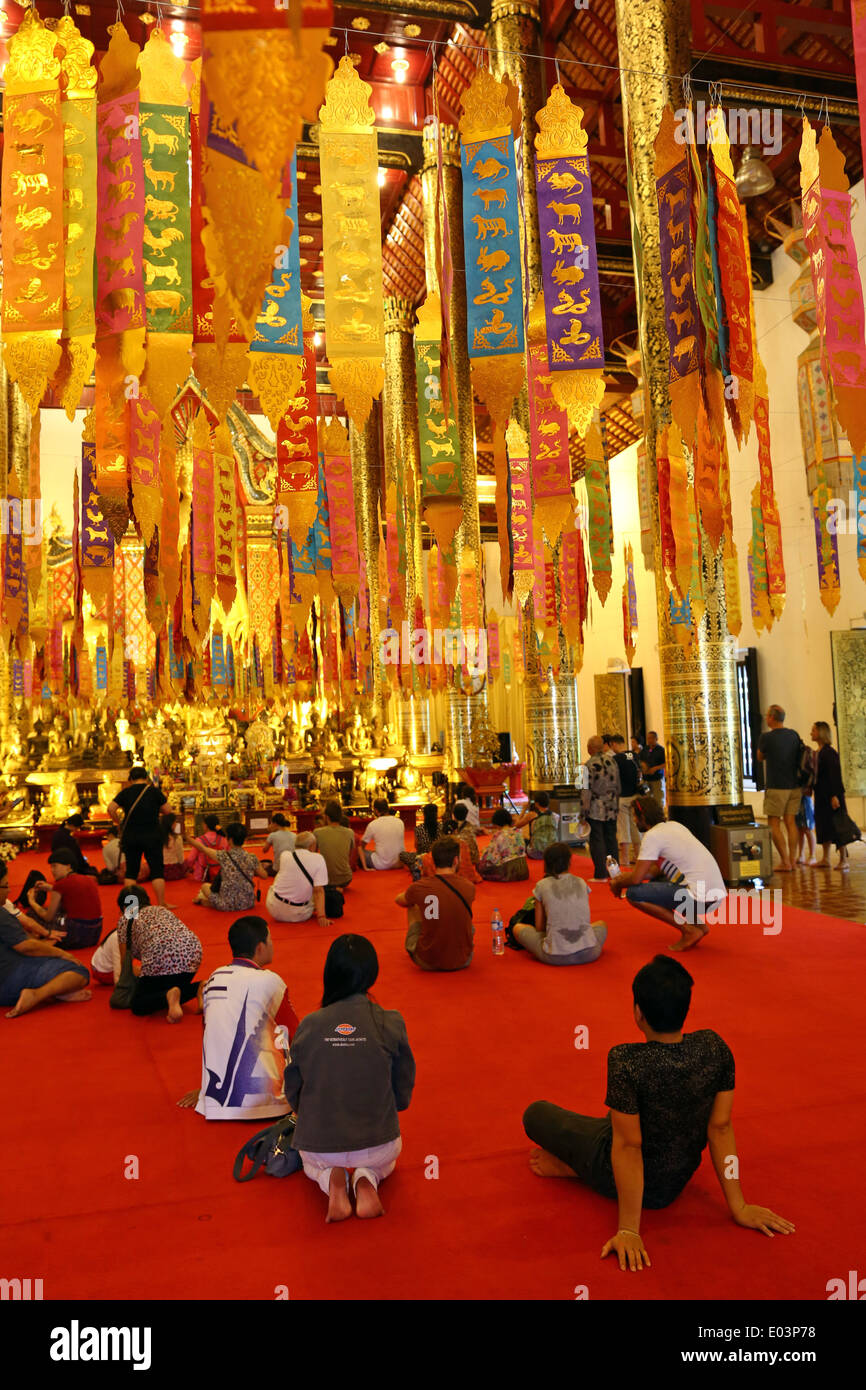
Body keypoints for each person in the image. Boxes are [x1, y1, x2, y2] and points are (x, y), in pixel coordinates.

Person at [523, 956, 794, 1272]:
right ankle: (582, 1161)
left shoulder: (626, 1060)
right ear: (685, 1009)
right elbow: (720, 1129)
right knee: (619, 1121)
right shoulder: (714, 1047)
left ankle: (577, 1169)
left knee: (536, 1114)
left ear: (638, 1013)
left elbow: (627, 1147)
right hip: (674, 1182)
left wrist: (629, 1230)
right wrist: (739, 1206)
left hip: (623, 1173)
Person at [284, 934, 416, 1221]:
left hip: (321, 1146)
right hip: (377, 1143)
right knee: (387, 1160)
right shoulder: (390, 1021)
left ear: (330, 972)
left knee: (310, 1166)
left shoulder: (310, 1024)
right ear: (372, 974)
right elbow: (403, 1087)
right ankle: (369, 1176)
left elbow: (293, 1086)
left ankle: (329, 1177)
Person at [177, 916, 299, 1120]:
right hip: (272, 1104)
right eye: (270, 940)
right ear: (260, 947)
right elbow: (296, 1035)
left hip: (215, 1100)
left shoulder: (212, 979)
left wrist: (206, 1088)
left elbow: (212, 1036)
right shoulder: (271, 981)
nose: (273, 944)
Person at [610, 796, 726, 952]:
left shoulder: (652, 836)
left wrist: (618, 883)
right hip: (716, 896)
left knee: (634, 893)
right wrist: (625, 878)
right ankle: (699, 926)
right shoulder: (674, 826)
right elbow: (653, 872)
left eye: (635, 816)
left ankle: (688, 930)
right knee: (657, 883)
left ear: (643, 817)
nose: (634, 821)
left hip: (699, 897)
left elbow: (637, 878)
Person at [509, 842, 607, 966]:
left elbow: (539, 927)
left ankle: (555, 940)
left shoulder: (542, 885)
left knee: (518, 928)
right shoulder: (581, 882)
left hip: (555, 956)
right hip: (590, 953)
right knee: (601, 924)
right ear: (569, 862)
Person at [118, 885, 202, 1023]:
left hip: (160, 960)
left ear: (123, 907)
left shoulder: (125, 920)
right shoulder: (162, 909)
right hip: (193, 954)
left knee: (138, 1004)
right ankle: (198, 988)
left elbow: (124, 963)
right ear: (147, 899)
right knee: (168, 984)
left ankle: (168, 996)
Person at [395, 836, 476, 972]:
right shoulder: (469, 887)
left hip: (427, 961)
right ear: (456, 860)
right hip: (463, 960)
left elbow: (399, 900)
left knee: (413, 905)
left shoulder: (420, 887)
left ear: (433, 860)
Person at [0, 904, 91, 1018]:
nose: (8, 891)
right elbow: (26, 947)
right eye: (4, 886)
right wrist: (61, 953)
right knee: (79, 971)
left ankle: (58, 994)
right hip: (8, 980)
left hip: (9, 979)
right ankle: (38, 994)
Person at [108, 766, 169, 907]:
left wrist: (118, 821)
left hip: (131, 835)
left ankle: (130, 906)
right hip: (152, 834)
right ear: (146, 777)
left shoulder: (125, 792)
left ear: (130, 779)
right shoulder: (154, 792)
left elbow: (111, 808)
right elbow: (168, 810)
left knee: (131, 871)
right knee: (156, 870)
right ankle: (161, 903)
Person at [756, 705, 802, 873]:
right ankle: (793, 859)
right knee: (791, 822)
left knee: (773, 823)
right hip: (795, 786)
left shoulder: (766, 737)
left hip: (776, 786)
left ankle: (784, 861)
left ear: (771, 718)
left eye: (767, 715)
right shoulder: (793, 735)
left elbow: (760, 757)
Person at [25, 850, 103, 949]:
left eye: (55, 866)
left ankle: (43, 939)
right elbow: (71, 891)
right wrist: (51, 888)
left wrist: (32, 901)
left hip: (74, 936)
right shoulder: (88, 879)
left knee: (32, 914)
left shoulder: (61, 884)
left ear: (68, 866)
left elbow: (47, 917)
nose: (52, 870)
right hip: (95, 934)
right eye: (51, 867)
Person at [191, 822, 270, 911]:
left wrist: (187, 838)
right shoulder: (252, 857)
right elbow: (264, 876)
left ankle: (205, 902)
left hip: (226, 904)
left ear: (230, 839)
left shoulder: (223, 856)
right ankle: (206, 902)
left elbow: (202, 848)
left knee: (205, 887)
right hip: (248, 903)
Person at [266, 831, 329, 925]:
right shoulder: (318, 858)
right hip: (299, 915)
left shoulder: (285, 855)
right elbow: (318, 890)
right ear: (312, 845)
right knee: (314, 887)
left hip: (274, 910)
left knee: (279, 877)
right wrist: (321, 916)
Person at [811, 721, 850, 872]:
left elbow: (835, 776)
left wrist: (834, 795)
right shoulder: (819, 752)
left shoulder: (829, 753)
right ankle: (825, 858)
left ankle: (843, 859)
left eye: (813, 730)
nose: (811, 733)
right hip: (821, 795)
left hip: (831, 795)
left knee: (837, 826)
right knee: (823, 825)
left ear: (821, 732)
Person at [582, 735, 621, 882]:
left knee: (597, 840)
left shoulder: (587, 765)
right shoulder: (613, 761)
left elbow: (585, 791)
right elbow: (618, 786)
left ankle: (601, 874)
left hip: (595, 806)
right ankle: (615, 872)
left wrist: (583, 812)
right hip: (611, 805)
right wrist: (616, 802)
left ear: (591, 748)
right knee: (611, 838)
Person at [611, 734, 642, 867]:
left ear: (614, 744)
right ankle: (638, 856)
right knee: (635, 826)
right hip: (635, 795)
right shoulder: (634, 756)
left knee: (623, 828)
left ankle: (624, 858)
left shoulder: (616, 759)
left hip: (623, 797)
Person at [314, 800, 357, 890]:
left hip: (325, 880)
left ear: (326, 817)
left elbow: (312, 855)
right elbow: (349, 855)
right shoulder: (350, 832)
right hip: (346, 878)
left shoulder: (318, 832)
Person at [479, 807, 529, 882]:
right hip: (523, 869)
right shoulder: (518, 832)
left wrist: (484, 853)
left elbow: (492, 858)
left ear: (497, 823)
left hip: (508, 871)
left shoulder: (499, 835)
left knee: (481, 866)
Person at [360, 798, 405, 871]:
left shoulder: (373, 824)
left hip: (381, 864)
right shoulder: (400, 822)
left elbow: (361, 846)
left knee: (358, 850)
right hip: (399, 862)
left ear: (376, 811)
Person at [513, 790, 560, 860]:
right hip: (552, 852)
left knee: (521, 838)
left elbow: (516, 825)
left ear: (537, 803)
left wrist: (523, 810)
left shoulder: (532, 815)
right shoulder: (556, 816)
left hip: (535, 853)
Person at [399, 801, 440, 873]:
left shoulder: (418, 829)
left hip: (423, 857)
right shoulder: (442, 827)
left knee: (402, 855)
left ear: (424, 814)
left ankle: (418, 866)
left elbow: (416, 846)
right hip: (439, 858)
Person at [185, 814, 227, 884]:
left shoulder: (199, 840)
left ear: (206, 825)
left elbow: (191, 859)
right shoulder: (223, 839)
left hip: (202, 876)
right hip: (220, 875)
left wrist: (187, 868)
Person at [640, 731, 666, 808]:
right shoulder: (645, 749)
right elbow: (640, 761)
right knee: (646, 799)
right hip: (646, 779)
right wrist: (643, 766)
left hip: (657, 779)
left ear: (656, 739)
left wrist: (655, 768)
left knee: (658, 800)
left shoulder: (661, 750)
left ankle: (660, 816)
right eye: (648, 738)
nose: (649, 740)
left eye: (651, 738)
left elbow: (666, 763)